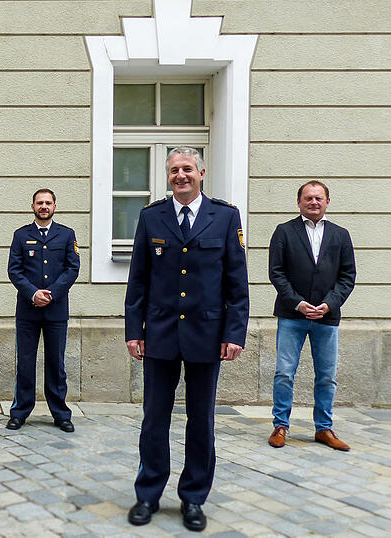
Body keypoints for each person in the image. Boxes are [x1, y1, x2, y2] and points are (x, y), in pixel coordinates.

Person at [124, 147, 248, 532]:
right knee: (154, 419)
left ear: (202, 173)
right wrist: (133, 330)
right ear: (167, 175)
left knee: (201, 422)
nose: (181, 175)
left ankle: (194, 498)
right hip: (160, 333)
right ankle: (147, 494)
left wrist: (234, 333)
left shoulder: (225, 217)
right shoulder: (151, 217)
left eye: (188, 169)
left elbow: (236, 282)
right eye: (174, 169)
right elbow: (138, 279)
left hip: (207, 336)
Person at [267, 181, 356, 451]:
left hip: (327, 318)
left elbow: (347, 276)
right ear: (299, 202)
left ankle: (324, 429)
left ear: (328, 201)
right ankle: (280, 425)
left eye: (319, 198)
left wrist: (328, 305)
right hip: (292, 315)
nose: (313, 202)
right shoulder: (284, 232)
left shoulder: (341, 235)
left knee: (327, 376)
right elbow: (276, 272)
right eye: (308, 198)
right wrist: (298, 303)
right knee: (284, 373)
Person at [6, 188, 80, 432]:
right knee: (25, 364)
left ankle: (60, 413)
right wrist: (33, 293)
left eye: (48, 203)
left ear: (55, 206)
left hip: (56, 311)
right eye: (40, 203)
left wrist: (52, 293)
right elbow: (14, 270)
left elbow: (72, 268)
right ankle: (19, 412)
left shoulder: (67, 235)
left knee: (56, 364)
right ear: (33, 206)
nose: (44, 206)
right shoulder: (20, 235)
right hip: (28, 311)